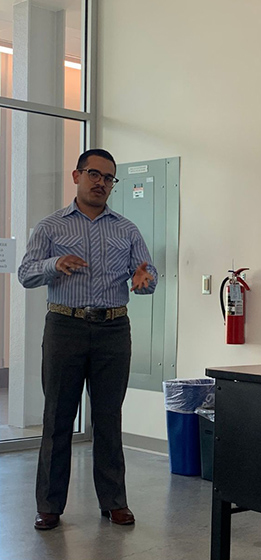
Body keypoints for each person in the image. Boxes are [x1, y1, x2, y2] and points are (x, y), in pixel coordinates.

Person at [18, 148, 157, 530]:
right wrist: (53, 265)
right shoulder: (50, 227)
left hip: (114, 329)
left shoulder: (126, 229)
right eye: (94, 174)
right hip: (65, 327)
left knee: (109, 418)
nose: (101, 182)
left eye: (109, 178)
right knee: (57, 418)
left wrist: (146, 281)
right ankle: (49, 505)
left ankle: (114, 501)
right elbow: (25, 273)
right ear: (77, 176)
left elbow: (146, 272)